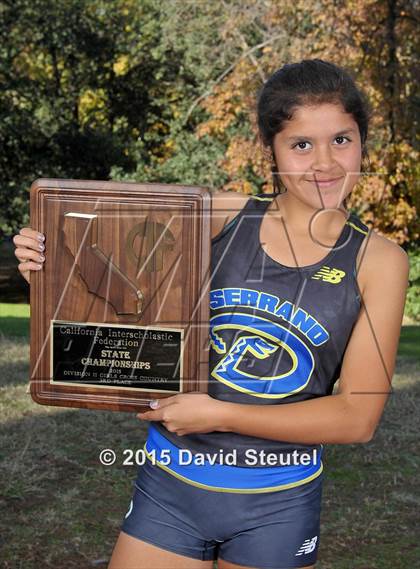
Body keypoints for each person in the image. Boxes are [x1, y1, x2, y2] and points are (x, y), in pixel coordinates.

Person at [13, 59, 409, 569]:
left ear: (363, 142)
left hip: (278, 502)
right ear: (270, 149)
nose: (325, 164)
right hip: (170, 487)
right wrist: (52, 264)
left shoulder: (378, 260)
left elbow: (358, 417)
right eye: (301, 144)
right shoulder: (216, 216)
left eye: (342, 139)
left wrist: (218, 413)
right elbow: (117, 290)